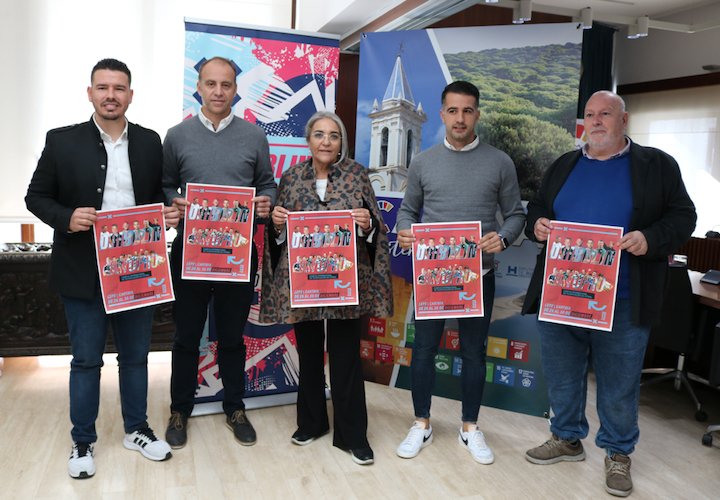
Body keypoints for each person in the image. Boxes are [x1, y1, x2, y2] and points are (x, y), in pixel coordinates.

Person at [521, 90, 696, 498]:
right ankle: (566, 438)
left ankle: (618, 453)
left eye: (606, 114)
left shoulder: (657, 165)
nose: (596, 121)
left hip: (624, 298)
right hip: (561, 293)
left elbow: (684, 216)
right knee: (563, 375)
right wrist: (539, 225)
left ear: (624, 120)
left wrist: (649, 238)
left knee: (619, 383)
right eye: (590, 115)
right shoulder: (564, 163)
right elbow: (537, 208)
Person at [25, 58, 178, 479]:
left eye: (119, 88)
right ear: (89, 92)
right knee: (86, 360)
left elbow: (155, 199)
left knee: (135, 358)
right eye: (103, 87)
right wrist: (66, 216)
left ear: (131, 94)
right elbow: (35, 197)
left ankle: (137, 430)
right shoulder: (61, 141)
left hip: (137, 269)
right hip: (82, 268)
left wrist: (166, 214)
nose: (111, 95)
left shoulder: (149, 142)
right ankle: (82, 440)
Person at [395, 81, 525, 465]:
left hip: (478, 275)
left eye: (467, 111)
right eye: (453, 111)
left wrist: (502, 237)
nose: (460, 118)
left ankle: (470, 428)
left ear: (477, 115)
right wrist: (405, 230)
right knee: (423, 350)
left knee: (473, 353)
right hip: (432, 276)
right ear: (442, 114)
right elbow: (408, 210)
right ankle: (422, 423)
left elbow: (517, 213)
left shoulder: (499, 162)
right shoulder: (423, 161)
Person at [260, 111, 393, 466]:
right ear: (309, 140)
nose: (325, 141)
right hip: (304, 283)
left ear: (341, 143)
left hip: (344, 286)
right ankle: (311, 423)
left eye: (333, 136)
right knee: (308, 354)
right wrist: (275, 223)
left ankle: (353, 436)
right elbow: (277, 237)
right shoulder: (290, 178)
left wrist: (366, 224)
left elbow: (375, 228)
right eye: (319, 134)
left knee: (346, 357)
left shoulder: (357, 175)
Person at [162, 56, 276, 449]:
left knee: (231, 338)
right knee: (186, 337)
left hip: (239, 256)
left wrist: (264, 204)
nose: (217, 91)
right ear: (198, 87)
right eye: (210, 84)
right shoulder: (177, 136)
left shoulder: (253, 137)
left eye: (225, 85)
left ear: (236, 90)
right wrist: (174, 202)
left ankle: (234, 407)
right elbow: (165, 184)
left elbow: (268, 185)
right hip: (190, 257)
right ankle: (180, 409)